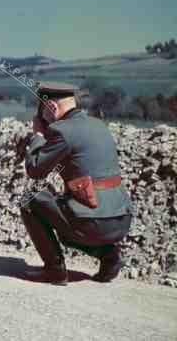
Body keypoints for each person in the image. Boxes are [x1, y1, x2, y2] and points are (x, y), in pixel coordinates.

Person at [19, 81, 133, 285]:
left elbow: (35, 171)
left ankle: (54, 271)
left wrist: (37, 135)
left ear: (52, 107)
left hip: (92, 223)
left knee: (31, 200)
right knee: (65, 219)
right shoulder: (99, 125)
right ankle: (109, 255)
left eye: (43, 111)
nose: (43, 117)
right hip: (121, 219)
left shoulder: (62, 131)